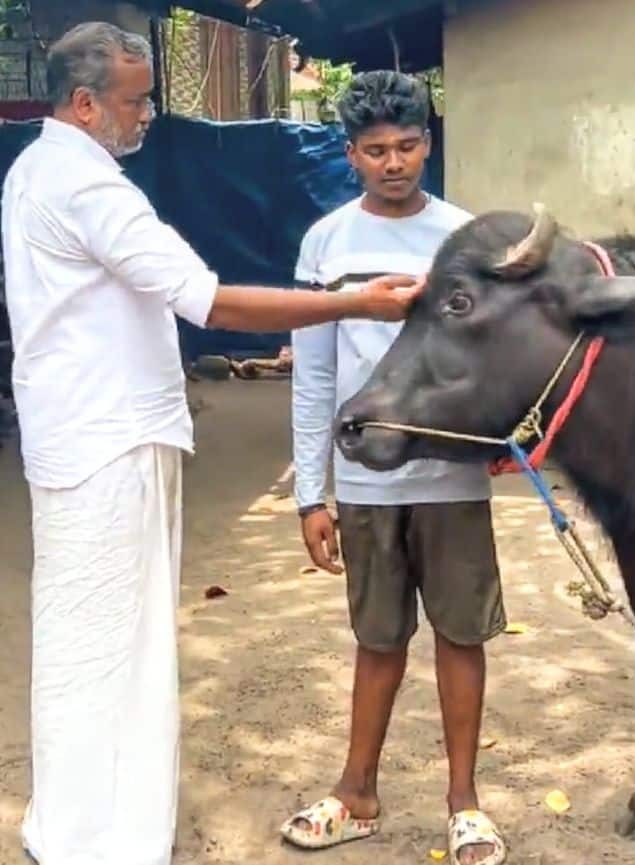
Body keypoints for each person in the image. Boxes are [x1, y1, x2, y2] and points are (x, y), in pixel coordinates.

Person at [1, 22, 420, 865]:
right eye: (136, 97)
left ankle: (83, 824)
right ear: (85, 104)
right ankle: (104, 841)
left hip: (85, 433)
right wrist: (353, 306)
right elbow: (209, 302)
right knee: (112, 641)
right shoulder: (88, 188)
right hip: (108, 441)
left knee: (88, 635)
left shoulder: (41, 167)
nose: (150, 112)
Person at [283, 71, 508, 865]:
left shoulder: (469, 240)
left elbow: (493, 360)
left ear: (428, 142)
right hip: (366, 479)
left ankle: (464, 804)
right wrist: (313, 492)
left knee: (460, 633)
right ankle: (358, 792)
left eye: (407, 144)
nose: (393, 162)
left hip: (450, 476)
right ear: (350, 154)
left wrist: (497, 437)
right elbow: (313, 377)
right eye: (375, 149)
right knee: (377, 638)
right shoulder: (327, 242)